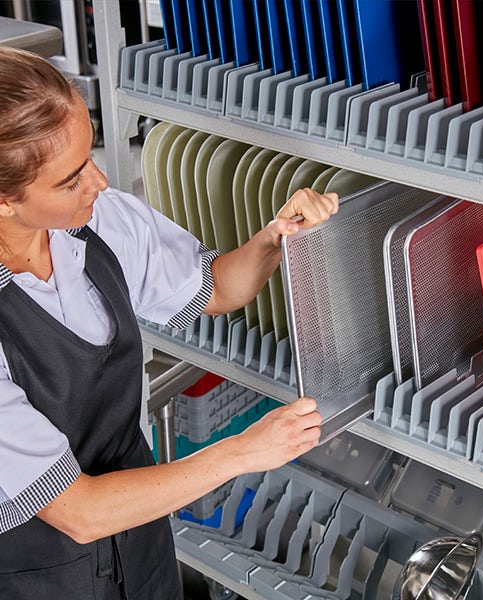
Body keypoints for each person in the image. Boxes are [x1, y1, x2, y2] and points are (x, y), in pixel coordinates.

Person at [0, 46, 338, 599]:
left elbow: (218, 287)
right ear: (4, 201)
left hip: (141, 545)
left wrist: (277, 237)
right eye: (71, 180)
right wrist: (243, 451)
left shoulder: (97, 223)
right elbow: (78, 511)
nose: (101, 182)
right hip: (41, 575)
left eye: (90, 154)